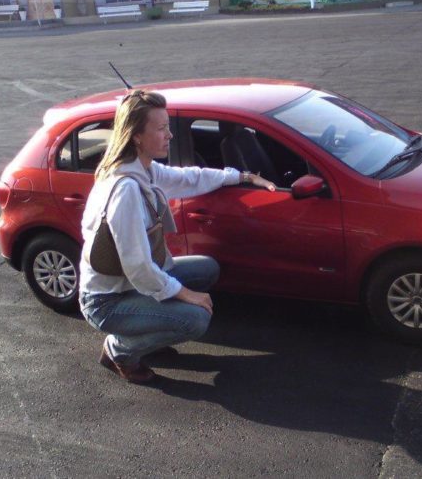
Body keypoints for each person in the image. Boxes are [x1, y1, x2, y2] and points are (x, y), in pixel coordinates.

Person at [79, 89, 276, 384]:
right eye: (161, 129)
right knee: (196, 318)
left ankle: (146, 334)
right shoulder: (126, 190)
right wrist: (185, 294)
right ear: (136, 136)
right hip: (107, 302)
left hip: (130, 284)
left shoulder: (143, 170)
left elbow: (190, 178)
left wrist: (244, 177)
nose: (169, 135)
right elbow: (139, 268)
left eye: (167, 126)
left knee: (206, 268)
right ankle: (119, 349)